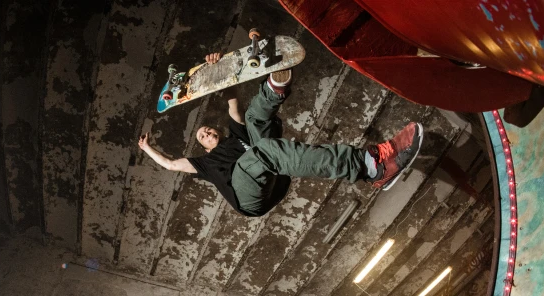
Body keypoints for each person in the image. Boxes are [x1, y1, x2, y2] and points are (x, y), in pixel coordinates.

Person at [138, 53, 424, 217]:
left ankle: (276, 85)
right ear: (204, 147)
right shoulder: (206, 164)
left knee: (252, 120)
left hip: (271, 173)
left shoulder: (234, 135)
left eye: (208, 129)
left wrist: (218, 69)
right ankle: (370, 167)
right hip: (248, 196)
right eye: (203, 136)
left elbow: (232, 99)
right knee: (261, 152)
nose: (208, 132)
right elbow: (171, 165)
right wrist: (147, 148)